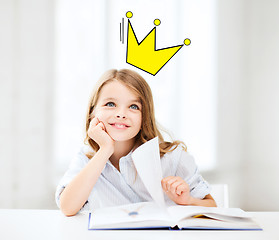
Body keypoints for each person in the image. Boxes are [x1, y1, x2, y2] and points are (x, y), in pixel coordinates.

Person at [56, 69, 216, 216]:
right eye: (110, 104)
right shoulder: (86, 159)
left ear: (144, 116)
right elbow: (67, 207)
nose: (121, 114)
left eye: (133, 107)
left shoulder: (172, 158)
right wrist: (105, 149)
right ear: (93, 112)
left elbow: (212, 207)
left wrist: (188, 201)